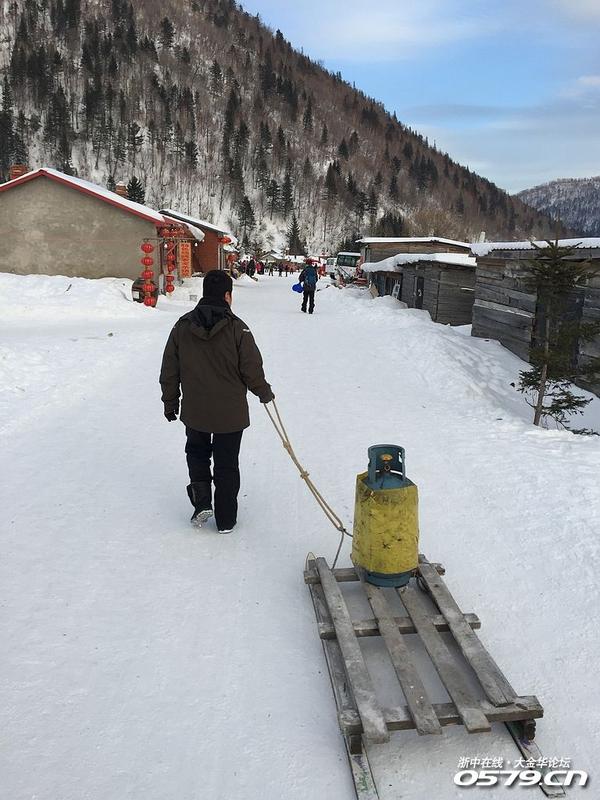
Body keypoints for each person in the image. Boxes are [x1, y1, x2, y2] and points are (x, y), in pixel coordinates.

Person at [160, 270, 274, 534]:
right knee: (227, 463)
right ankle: (226, 520)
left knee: (197, 454)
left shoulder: (182, 326)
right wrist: (264, 392)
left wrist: (170, 402)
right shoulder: (238, 328)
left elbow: (170, 369)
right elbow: (251, 369)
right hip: (230, 414)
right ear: (227, 296)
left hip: (195, 410)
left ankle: (202, 503)